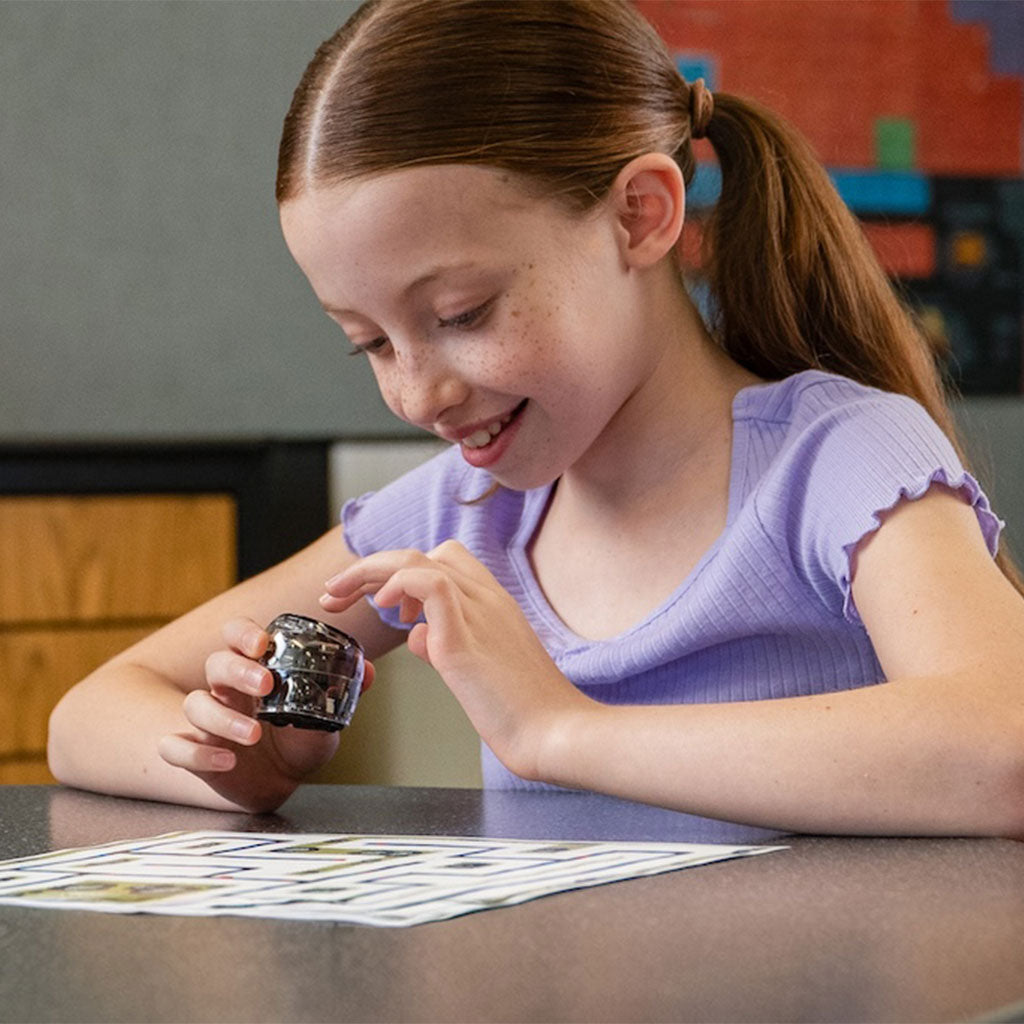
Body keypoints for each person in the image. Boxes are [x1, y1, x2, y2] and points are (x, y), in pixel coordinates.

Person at [48, 0, 1024, 835]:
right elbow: (88, 713)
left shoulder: (839, 458)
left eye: (461, 314)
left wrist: (557, 730)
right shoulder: (455, 517)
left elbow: (1006, 749)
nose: (417, 394)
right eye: (372, 343)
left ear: (639, 216)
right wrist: (235, 766)